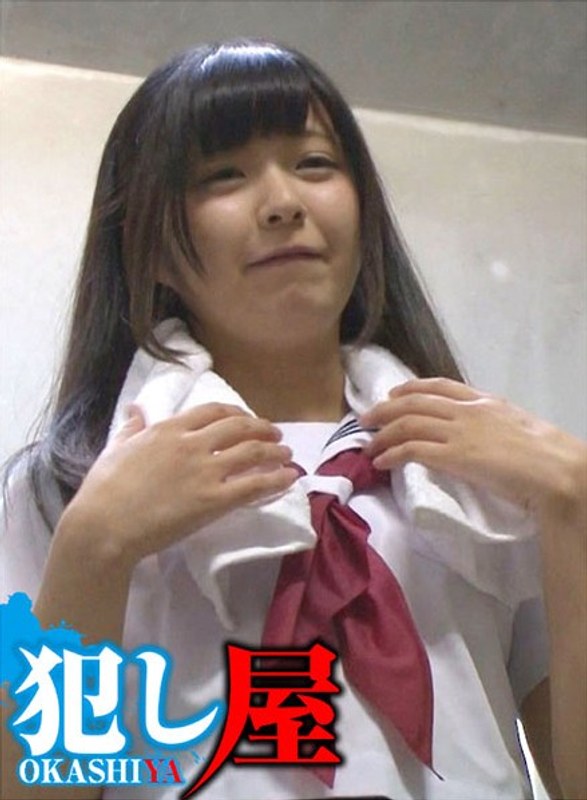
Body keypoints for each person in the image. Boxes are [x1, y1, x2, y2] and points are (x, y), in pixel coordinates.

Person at [1, 38, 585, 800]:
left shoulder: (483, 481)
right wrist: (93, 550)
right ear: (150, 250)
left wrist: (574, 510)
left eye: (314, 164)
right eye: (222, 175)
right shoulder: (70, 485)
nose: (283, 202)